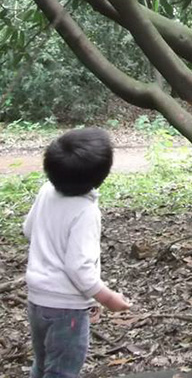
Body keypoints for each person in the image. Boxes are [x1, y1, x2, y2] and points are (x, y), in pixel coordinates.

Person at [24, 128, 130, 378]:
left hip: (37, 300)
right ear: (101, 176)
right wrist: (107, 297)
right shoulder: (85, 211)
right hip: (66, 309)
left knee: (41, 364)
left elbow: (28, 229)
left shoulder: (45, 191)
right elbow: (78, 267)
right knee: (62, 372)